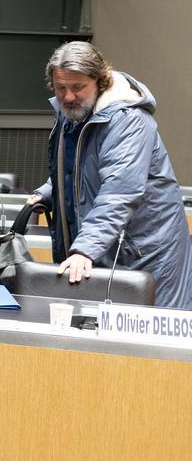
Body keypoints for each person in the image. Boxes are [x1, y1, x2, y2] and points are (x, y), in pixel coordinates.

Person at [27, 41, 192, 308]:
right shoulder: (75, 114)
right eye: (61, 88)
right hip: (108, 242)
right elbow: (78, 169)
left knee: (150, 341)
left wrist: (84, 249)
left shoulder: (129, 120)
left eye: (77, 87)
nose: (68, 96)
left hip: (147, 252)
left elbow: (120, 190)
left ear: (100, 81)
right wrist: (48, 191)